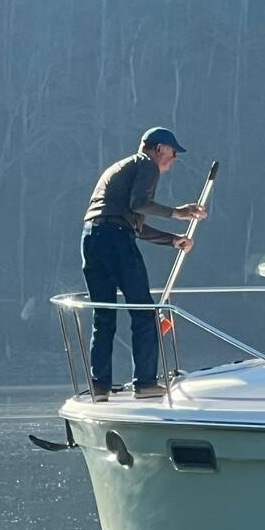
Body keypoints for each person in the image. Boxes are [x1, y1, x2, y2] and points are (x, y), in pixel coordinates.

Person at [82, 127, 207, 399]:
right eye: (173, 153)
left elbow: (133, 225)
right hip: (115, 239)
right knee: (144, 310)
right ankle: (145, 383)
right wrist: (178, 213)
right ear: (159, 148)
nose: (174, 159)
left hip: (92, 238)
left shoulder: (122, 167)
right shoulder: (146, 165)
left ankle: (99, 385)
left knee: (103, 316)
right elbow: (139, 205)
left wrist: (173, 240)